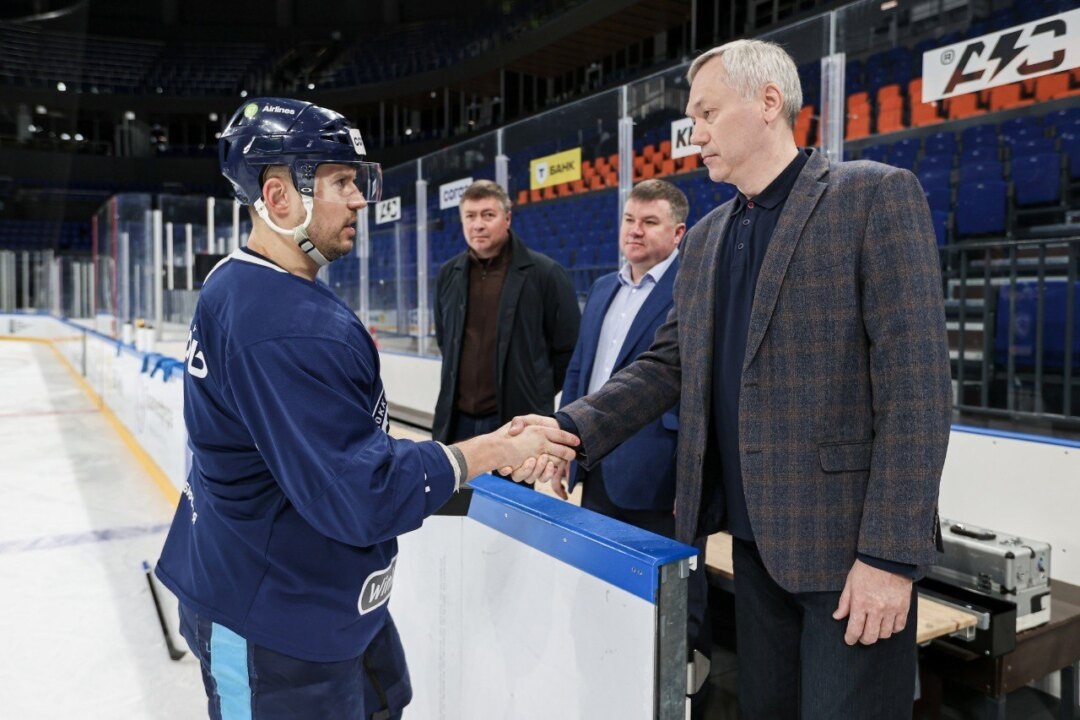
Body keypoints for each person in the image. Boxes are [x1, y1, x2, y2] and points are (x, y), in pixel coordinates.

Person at [510, 39, 951, 719]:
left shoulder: (872, 198)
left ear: (768, 102)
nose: (696, 134)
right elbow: (669, 364)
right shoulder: (711, 235)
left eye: (708, 113)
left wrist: (890, 558)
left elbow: (918, 394)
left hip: (848, 554)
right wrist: (570, 426)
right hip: (752, 546)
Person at [154, 97, 577, 720]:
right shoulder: (282, 324)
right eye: (341, 182)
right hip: (272, 621)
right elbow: (364, 496)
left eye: (359, 181)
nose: (360, 199)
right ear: (278, 200)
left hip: (315, 598)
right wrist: (497, 448)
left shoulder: (238, 281)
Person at [554, 179, 711, 703]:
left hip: (661, 477)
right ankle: (612, 690)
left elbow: (700, 390)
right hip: (598, 468)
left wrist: (692, 475)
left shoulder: (693, 286)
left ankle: (678, 695)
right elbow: (581, 374)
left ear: (679, 232)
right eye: (629, 220)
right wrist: (563, 447)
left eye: (649, 223)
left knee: (671, 604)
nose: (635, 231)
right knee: (604, 593)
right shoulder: (604, 288)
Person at [432, 179, 580, 445]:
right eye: (470, 216)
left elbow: (568, 351)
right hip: (456, 421)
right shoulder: (447, 274)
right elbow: (446, 340)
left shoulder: (545, 274)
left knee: (510, 489)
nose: (478, 224)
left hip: (517, 422)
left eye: (488, 215)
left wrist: (536, 394)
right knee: (457, 489)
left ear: (507, 218)